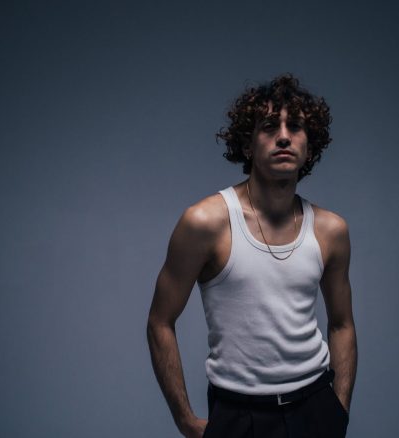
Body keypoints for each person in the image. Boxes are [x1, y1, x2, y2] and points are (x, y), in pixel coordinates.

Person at [147, 74, 358, 438]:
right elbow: (159, 322)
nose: (283, 136)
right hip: (238, 414)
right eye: (268, 126)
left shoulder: (330, 230)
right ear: (247, 144)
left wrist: (338, 410)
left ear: (310, 146)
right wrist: (184, 420)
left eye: (295, 127)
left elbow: (342, 324)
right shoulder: (206, 222)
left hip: (315, 407)